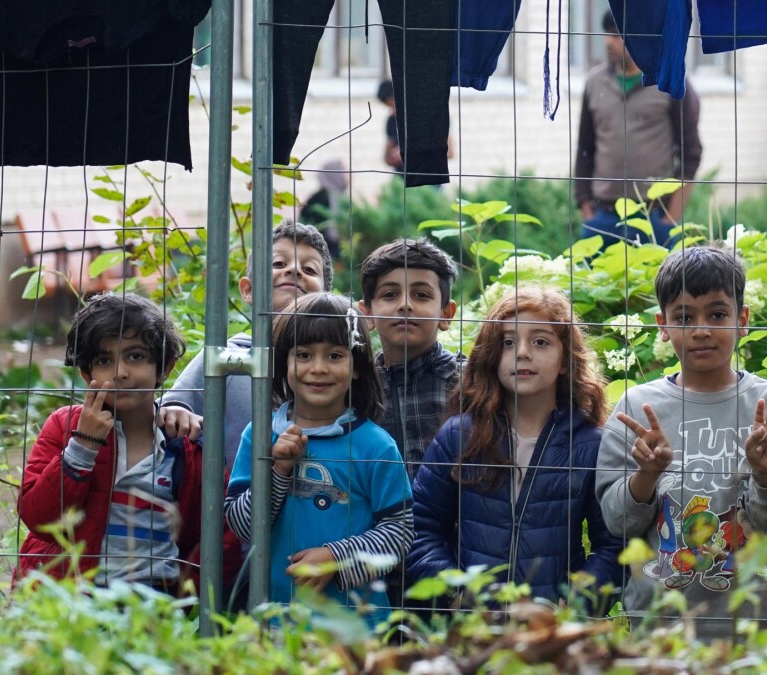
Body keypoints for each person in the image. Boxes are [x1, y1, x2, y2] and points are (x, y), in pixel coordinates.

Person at [595, 245, 767, 638]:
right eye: (685, 317)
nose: (702, 329)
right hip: (660, 624)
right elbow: (618, 523)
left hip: (756, 623)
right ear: (662, 324)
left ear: (743, 320)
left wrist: (766, 474)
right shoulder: (636, 407)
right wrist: (647, 475)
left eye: (718, 314)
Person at [407, 286, 622, 609]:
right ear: (492, 356)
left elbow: (613, 545)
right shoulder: (460, 436)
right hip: (471, 631)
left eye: (540, 341)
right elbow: (420, 527)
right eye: (508, 342)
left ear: (565, 359)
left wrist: (574, 604)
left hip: (553, 635)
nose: (522, 353)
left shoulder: (591, 444)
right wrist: (458, 594)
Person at [17, 293, 226, 590]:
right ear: (87, 373)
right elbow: (38, 518)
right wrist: (82, 446)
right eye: (104, 360)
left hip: (153, 609)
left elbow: (216, 536)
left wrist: (186, 596)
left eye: (136, 356)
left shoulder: (186, 446)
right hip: (72, 603)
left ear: (164, 368)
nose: (120, 373)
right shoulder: (64, 427)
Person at [223, 293, 413, 618]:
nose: (319, 368)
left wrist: (336, 558)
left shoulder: (375, 446)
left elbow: (400, 532)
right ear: (284, 362)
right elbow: (242, 526)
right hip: (274, 622)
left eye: (335, 355)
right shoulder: (259, 434)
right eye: (304, 354)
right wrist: (278, 470)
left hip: (356, 629)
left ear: (356, 368)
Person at [163, 219, 332, 469]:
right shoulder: (227, 358)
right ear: (248, 290)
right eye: (278, 264)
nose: (294, 270)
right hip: (235, 503)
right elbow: (173, 405)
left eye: (309, 270)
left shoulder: (335, 365)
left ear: (327, 297)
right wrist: (176, 410)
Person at [358, 238, 466, 608]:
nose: (405, 304)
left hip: (452, 567)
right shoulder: (354, 386)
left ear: (446, 313)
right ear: (367, 315)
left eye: (421, 295)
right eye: (389, 294)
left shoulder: (470, 385)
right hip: (369, 566)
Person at [574, 11, 702, 248]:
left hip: (653, 215)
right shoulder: (594, 83)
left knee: (654, 286)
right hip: (602, 216)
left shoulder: (669, 81)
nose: (608, 42)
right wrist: (586, 208)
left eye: (616, 35)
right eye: (607, 35)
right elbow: (585, 149)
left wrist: (670, 217)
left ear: (639, 37)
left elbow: (691, 153)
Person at [298, 159, 347, 261]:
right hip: (320, 253)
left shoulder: (338, 197)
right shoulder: (321, 199)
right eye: (343, 170)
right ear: (334, 173)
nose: (348, 175)